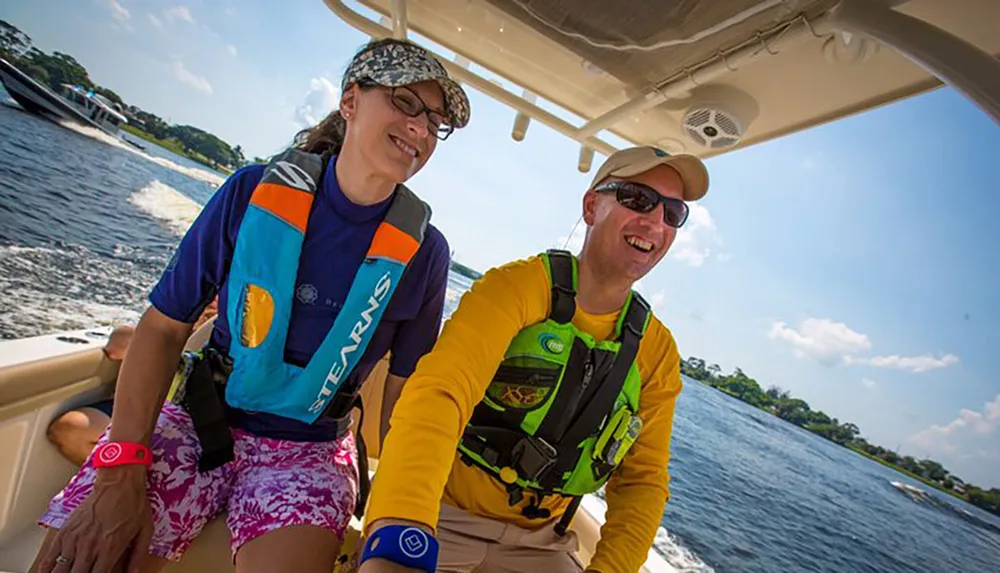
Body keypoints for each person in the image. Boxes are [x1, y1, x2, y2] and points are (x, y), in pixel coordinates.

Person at [32, 37, 470, 573]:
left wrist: (400, 516)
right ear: (350, 101)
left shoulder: (425, 255)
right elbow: (165, 328)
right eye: (406, 103)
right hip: (199, 420)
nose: (421, 129)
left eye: (435, 121)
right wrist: (120, 471)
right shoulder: (250, 191)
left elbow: (407, 403)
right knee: (79, 560)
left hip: (310, 453)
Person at [356, 146, 710, 573]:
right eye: (638, 199)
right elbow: (441, 394)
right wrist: (403, 524)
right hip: (442, 514)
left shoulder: (657, 353)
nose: (655, 221)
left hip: (543, 545)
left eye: (673, 213)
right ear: (592, 205)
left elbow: (643, 481)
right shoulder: (514, 289)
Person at [46, 300, 219, 466]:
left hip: (193, 424)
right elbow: (116, 348)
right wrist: (188, 329)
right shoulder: (169, 322)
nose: (213, 300)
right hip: (139, 409)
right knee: (71, 430)